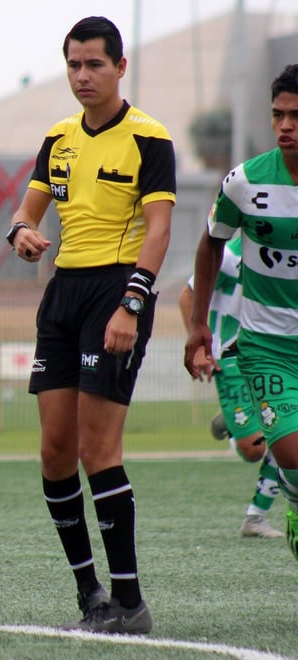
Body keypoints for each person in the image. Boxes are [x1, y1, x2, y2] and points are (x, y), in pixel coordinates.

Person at [7, 16, 175, 635]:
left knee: (96, 449)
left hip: (116, 289)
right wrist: (23, 234)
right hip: (63, 293)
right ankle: (91, 596)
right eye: (74, 64)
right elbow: (26, 212)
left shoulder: (148, 137)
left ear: (120, 67)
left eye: (95, 64)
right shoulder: (58, 137)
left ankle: (131, 602)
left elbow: (160, 229)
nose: (82, 76)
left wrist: (132, 304)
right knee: (54, 453)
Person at [185, 63, 298, 569]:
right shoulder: (245, 182)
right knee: (286, 454)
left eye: (295, 115)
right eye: (277, 115)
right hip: (265, 346)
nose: (285, 126)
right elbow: (209, 245)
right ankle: (291, 502)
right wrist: (198, 326)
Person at [179, 234, 283, 538]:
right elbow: (187, 296)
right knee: (254, 449)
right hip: (231, 357)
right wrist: (199, 348)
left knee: (289, 436)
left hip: (274, 354)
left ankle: (255, 518)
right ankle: (235, 421)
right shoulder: (228, 256)